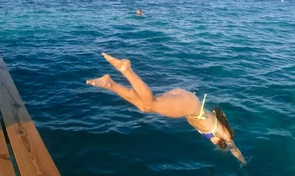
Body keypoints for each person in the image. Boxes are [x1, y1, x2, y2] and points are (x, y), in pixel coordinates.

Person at [86, 53, 247, 165]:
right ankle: (126, 69)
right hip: (190, 106)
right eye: (216, 144)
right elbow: (235, 150)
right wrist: (243, 163)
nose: (213, 143)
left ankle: (110, 84)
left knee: (144, 107)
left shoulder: (217, 133)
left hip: (186, 101)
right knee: (151, 104)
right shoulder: (224, 135)